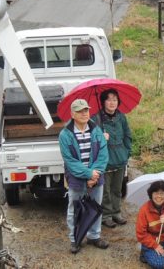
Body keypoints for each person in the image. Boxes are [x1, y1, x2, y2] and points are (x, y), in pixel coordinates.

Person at [59, 99, 110, 254]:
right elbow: (70, 161)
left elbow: (103, 155)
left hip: (96, 176)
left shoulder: (96, 131)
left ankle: (94, 236)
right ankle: (75, 239)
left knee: (95, 207)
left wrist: (94, 175)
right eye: (80, 111)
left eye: (86, 110)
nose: (84, 114)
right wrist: (88, 174)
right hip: (76, 178)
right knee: (75, 209)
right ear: (72, 114)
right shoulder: (65, 134)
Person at [95, 89, 132, 228]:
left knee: (117, 189)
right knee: (105, 191)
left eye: (115, 99)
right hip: (105, 160)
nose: (112, 102)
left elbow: (127, 135)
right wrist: (100, 136)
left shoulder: (121, 117)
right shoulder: (96, 118)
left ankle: (116, 213)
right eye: (109, 99)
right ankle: (106, 215)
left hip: (120, 159)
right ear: (103, 101)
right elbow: (92, 139)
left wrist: (127, 152)